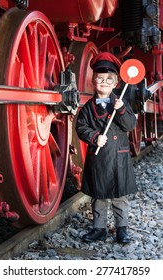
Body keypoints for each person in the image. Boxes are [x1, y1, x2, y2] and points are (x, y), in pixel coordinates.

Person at [75, 52, 137, 244]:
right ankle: (99, 229)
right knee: (99, 197)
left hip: (119, 158)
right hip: (99, 158)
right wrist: (94, 137)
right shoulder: (87, 108)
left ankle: (122, 229)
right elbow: (80, 127)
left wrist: (121, 110)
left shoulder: (120, 103)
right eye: (100, 78)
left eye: (108, 79)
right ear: (93, 81)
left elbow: (130, 125)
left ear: (116, 83)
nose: (104, 82)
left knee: (120, 197)